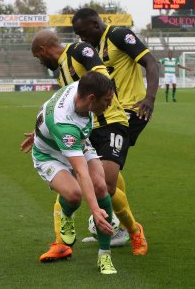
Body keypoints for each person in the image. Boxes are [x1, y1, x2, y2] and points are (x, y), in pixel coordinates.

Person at [24, 30, 148, 262]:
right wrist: (42, 131)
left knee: (106, 186)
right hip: (84, 127)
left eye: (37, 57)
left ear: (42, 51)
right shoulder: (62, 70)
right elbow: (57, 106)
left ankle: (132, 230)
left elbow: (103, 79)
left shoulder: (79, 50)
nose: (39, 61)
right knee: (76, 187)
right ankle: (61, 243)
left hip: (109, 123)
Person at [71, 7, 160, 250]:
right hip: (109, 114)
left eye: (83, 33)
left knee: (104, 178)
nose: (82, 39)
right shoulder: (95, 48)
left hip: (131, 111)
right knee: (107, 172)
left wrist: (149, 98)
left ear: (95, 24)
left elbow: (151, 63)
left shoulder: (119, 36)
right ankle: (120, 224)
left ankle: (122, 228)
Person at [31, 71, 117, 274]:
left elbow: (47, 107)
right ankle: (66, 215)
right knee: (74, 195)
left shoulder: (82, 87)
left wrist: (39, 130)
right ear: (91, 99)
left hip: (77, 142)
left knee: (101, 187)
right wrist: (95, 210)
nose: (109, 105)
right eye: (106, 101)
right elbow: (81, 171)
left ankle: (105, 255)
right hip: (49, 154)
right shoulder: (64, 124)